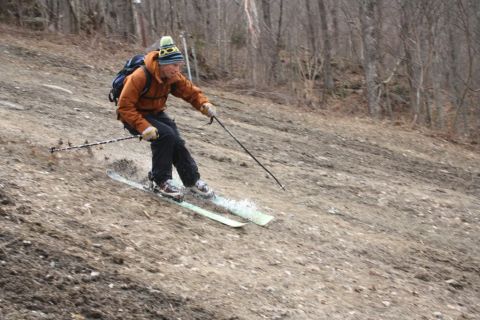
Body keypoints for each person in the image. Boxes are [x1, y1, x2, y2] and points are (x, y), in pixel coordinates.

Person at [117, 36, 216, 199]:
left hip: (155, 113)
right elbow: (124, 107)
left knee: (176, 140)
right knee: (165, 136)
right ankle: (160, 181)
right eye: (174, 65)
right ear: (163, 63)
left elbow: (190, 92)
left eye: (179, 66)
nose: (177, 70)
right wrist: (143, 127)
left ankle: (192, 181)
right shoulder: (139, 76)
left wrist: (204, 105)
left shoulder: (172, 77)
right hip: (132, 116)